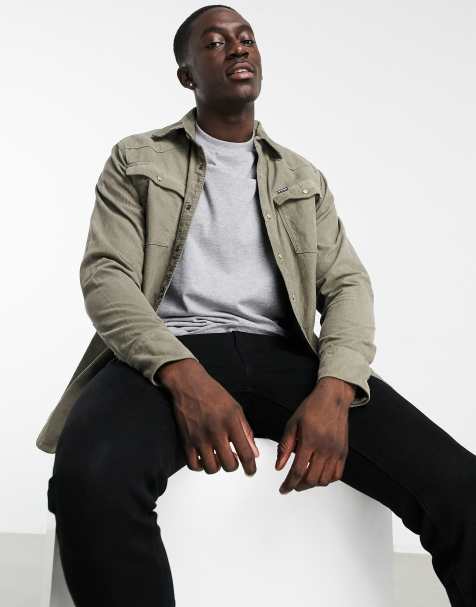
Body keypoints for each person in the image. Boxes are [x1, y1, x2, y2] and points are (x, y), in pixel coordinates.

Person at [40, 5, 476, 606]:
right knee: (89, 478)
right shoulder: (137, 159)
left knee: (459, 485)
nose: (238, 48)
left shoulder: (301, 176)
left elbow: (348, 285)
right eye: (215, 43)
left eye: (246, 38)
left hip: (282, 357)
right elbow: (106, 276)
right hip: (165, 355)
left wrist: (336, 389)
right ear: (187, 75)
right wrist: (186, 378)